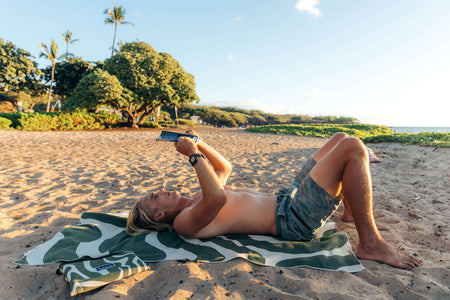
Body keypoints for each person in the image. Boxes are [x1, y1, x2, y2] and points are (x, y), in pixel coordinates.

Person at [127, 130, 422, 269]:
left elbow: (223, 169)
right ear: (158, 216)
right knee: (352, 147)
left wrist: (200, 142)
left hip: (288, 197)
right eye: (156, 197)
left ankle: (349, 213)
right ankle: (371, 242)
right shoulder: (183, 223)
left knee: (339, 137)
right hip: (293, 218)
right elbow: (216, 197)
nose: (163, 190)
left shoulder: (194, 199)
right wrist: (192, 155)